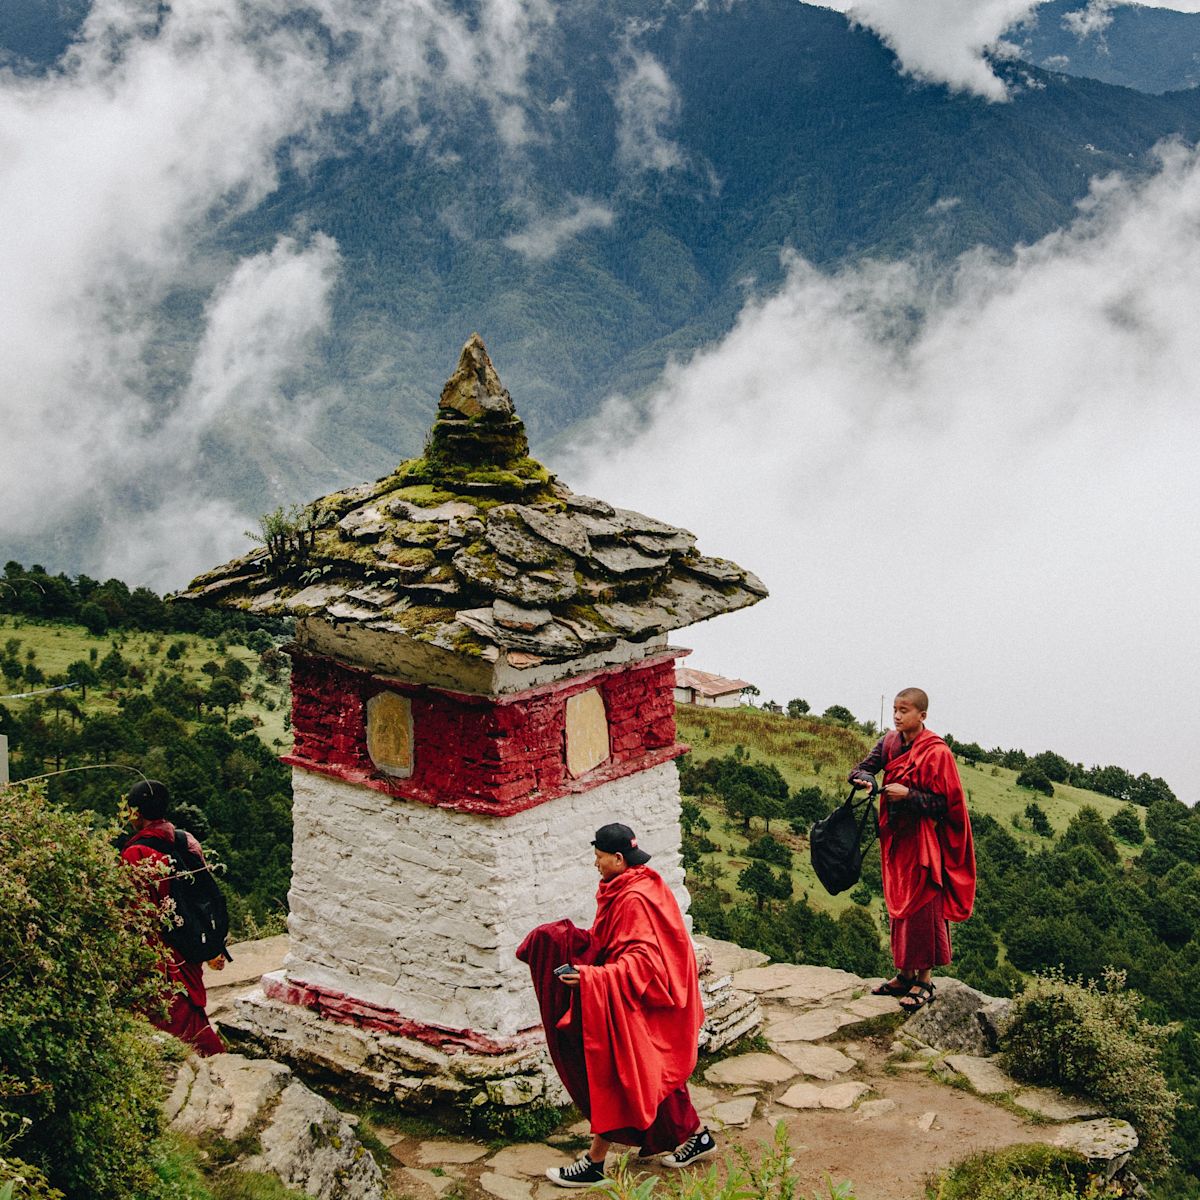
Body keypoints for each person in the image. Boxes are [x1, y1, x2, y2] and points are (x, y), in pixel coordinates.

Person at [517, 823, 716, 1188]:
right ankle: (696, 1137)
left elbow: (642, 962)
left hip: (649, 999)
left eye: (599, 858)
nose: (596, 864)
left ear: (618, 859)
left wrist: (593, 979)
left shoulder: (635, 899)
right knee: (652, 1073)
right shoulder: (637, 883)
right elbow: (616, 944)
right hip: (639, 995)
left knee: (618, 1072)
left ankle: (595, 1162)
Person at [849, 689, 975, 1013]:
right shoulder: (890, 743)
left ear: (922, 716)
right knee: (899, 908)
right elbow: (862, 768)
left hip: (924, 841)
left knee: (923, 909)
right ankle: (904, 975)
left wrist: (908, 796)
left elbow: (944, 804)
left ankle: (925, 980)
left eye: (903, 710)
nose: (896, 715)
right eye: (894, 709)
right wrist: (864, 779)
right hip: (896, 840)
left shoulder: (937, 752)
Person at [120, 779, 226, 1056]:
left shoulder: (136, 853)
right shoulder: (185, 840)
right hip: (189, 938)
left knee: (173, 1014)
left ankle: (211, 1061)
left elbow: (137, 913)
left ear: (136, 813)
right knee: (188, 1009)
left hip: (162, 947)